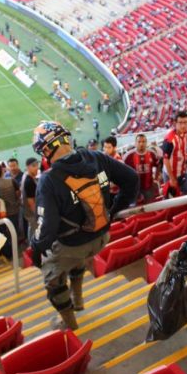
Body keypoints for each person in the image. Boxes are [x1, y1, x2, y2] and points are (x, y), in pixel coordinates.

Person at [30, 121, 138, 330]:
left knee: (53, 280)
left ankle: (69, 323)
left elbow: (47, 230)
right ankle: (78, 300)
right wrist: (114, 209)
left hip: (72, 246)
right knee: (77, 257)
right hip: (102, 237)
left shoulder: (48, 180)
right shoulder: (95, 157)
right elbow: (131, 178)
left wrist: (35, 249)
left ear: (45, 151)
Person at [123, 134, 161, 203]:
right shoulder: (128, 156)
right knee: (135, 207)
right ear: (135, 143)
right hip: (135, 188)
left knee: (150, 206)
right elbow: (123, 170)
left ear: (146, 143)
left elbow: (158, 165)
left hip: (148, 187)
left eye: (143, 142)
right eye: (139, 142)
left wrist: (155, 179)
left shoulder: (152, 154)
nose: (141, 144)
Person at [161, 110, 187, 196]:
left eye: (185, 122)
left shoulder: (184, 132)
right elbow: (165, 160)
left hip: (181, 171)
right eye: (180, 122)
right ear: (175, 123)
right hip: (171, 174)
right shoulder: (170, 139)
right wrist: (171, 178)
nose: (183, 125)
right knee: (170, 196)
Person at [21, 157, 40, 242]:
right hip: (32, 212)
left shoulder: (25, 175)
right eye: (34, 166)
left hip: (28, 210)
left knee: (32, 227)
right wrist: (37, 214)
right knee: (33, 228)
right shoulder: (29, 181)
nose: (37, 168)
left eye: (37, 165)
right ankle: (32, 246)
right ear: (28, 167)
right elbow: (31, 202)